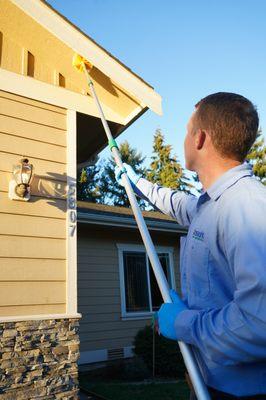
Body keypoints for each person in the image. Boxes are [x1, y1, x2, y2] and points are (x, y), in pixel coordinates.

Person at [115, 92, 266, 399]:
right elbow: (177, 203)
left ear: (199, 138)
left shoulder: (246, 207)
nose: (183, 139)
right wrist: (138, 184)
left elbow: (258, 323)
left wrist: (184, 324)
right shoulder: (209, 206)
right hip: (209, 382)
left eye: (186, 131)